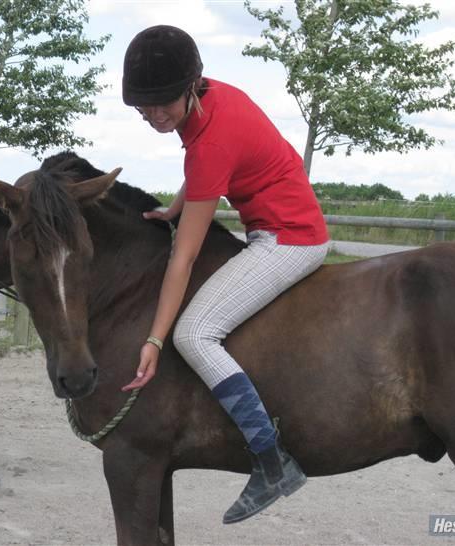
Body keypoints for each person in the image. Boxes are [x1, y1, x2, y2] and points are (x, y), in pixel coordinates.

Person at [121, 26, 330, 524]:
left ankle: (272, 459)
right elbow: (203, 170)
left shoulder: (210, 139)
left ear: (190, 86)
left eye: (162, 104)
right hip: (273, 227)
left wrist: (154, 338)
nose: (153, 116)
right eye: (142, 108)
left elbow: (183, 258)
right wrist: (175, 207)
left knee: (194, 334)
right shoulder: (212, 98)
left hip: (290, 238)